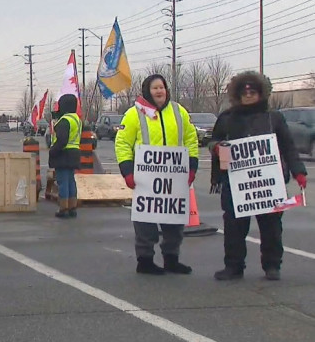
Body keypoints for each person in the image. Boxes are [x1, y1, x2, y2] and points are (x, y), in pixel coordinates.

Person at [210, 71, 307, 281]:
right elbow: (213, 140)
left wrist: (299, 171)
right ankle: (233, 266)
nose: (248, 95)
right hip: (235, 183)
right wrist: (217, 148)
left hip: (269, 183)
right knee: (234, 227)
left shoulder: (274, 118)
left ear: (261, 93)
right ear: (237, 94)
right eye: (244, 92)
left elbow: (288, 147)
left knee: (272, 227)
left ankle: (272, 265)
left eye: (253, 92)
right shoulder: (227, 118)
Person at [115, 74, 199, 275]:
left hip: (175, 179)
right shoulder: (134, 114)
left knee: (174, 223)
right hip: (145, 180)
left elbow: (190, 139)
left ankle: (172, 259)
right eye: (155, 88)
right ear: (147, 91)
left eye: (162, 87)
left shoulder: (179, 112)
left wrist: (192, 168)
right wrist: (127, 171)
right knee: (145, 224)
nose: (159, 91)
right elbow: (123, 143)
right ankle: (145, 261)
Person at [48, 95, 82, 219]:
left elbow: (62, 140)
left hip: (63, 153)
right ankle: (72, 208)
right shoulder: (76, 119)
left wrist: (53, 150)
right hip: (74, 152)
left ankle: (63, 208)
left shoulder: (64, 121)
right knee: (70, 181)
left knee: (63, 182)